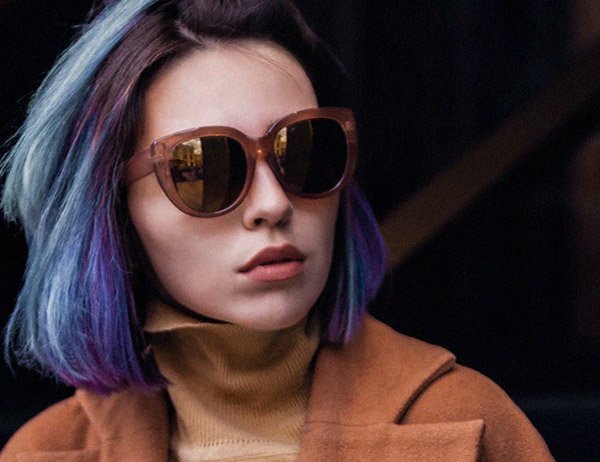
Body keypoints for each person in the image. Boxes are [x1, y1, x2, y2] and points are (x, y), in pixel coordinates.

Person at [0, 0, 553, 460]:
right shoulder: (47, 450)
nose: (273, 204)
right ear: (114, 210)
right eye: (206, 167)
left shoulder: (468, 424)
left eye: (307, 151)